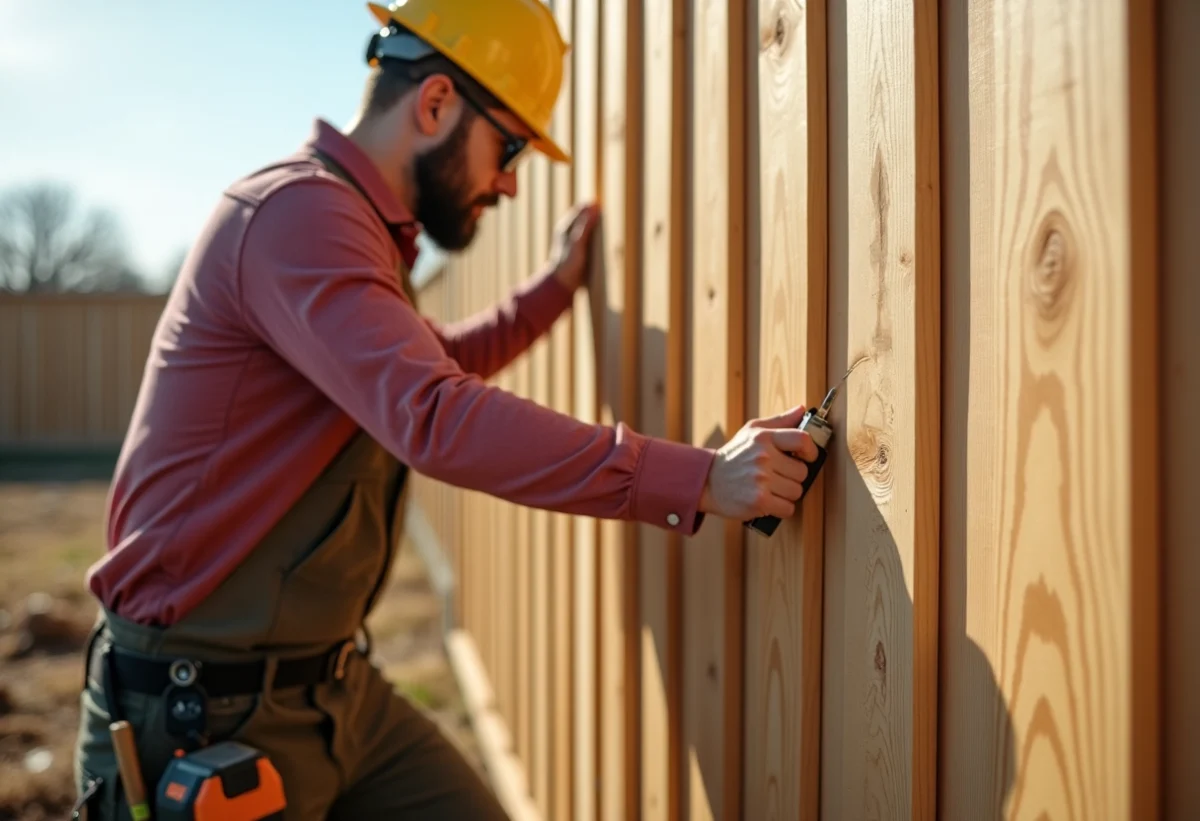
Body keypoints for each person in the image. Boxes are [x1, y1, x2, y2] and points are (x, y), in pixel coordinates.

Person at [70, 1, 819, 818]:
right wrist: (703, 478)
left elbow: (434, 364)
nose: (508, 181)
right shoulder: (297, 215)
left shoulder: (346, 226)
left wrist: (554, 290)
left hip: (325, 686)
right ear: (434, 104)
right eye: (510, 147)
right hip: (197, 710)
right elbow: (431, 413)